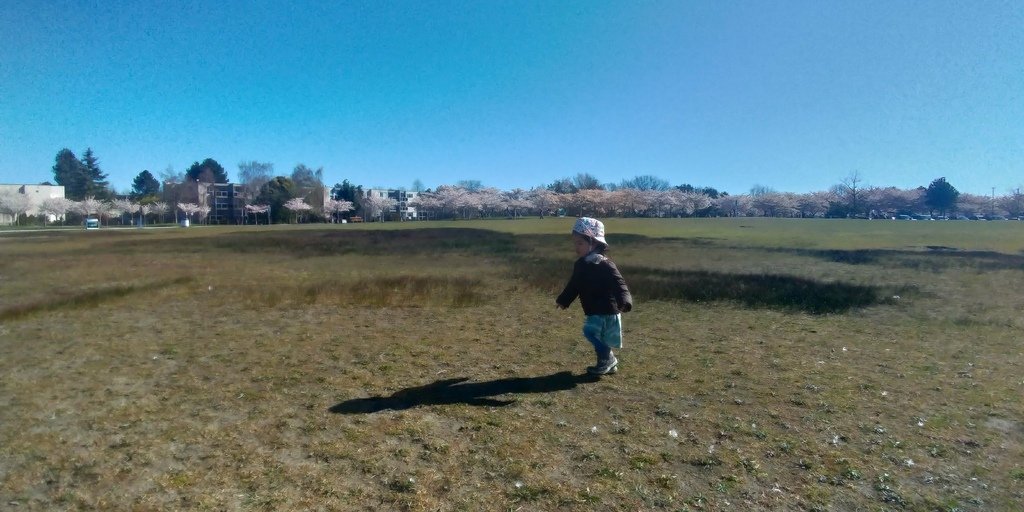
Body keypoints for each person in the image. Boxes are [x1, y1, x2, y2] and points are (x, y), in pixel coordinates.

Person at [556, 217, 633, 375]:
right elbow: (574, 286)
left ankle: (608, 359)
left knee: (590, 332)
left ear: (594, 243)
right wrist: (564, 300)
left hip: (608, 308)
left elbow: (619, 283)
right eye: (575, 242)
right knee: (597, 336)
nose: (576, 247)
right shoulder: (580, 264)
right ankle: (607, 363)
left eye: (580, 243)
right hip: (592, 308)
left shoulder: (604, 264)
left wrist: (624, 301)